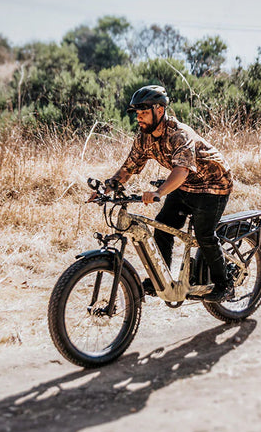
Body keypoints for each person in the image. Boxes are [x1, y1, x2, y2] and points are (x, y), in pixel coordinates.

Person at [91, 85, 235, 302]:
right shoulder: (144, 137)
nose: (139, 118)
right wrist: (107, 188)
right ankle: (162, 280)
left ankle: (225, 284)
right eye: (137, 114)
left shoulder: (179, 134)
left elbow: (181, 170)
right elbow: (128, 168)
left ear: (159, 110)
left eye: (144, 113)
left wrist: (159, 192)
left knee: (205, 235)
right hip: (185, 185)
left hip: (213, 184)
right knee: (163, 227)